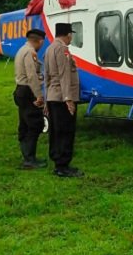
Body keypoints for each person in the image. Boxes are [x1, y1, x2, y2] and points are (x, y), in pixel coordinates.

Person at [44, 22, 83, 178]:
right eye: (71, 34)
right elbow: (64, 75)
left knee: (55, 131)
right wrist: (69, 99)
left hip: (53, 96)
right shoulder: (62, 50)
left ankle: (57, 162)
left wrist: (47, 99)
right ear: (68, 35)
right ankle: (63, 166)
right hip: (62, 98)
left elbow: (46, 76)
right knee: (65, 131)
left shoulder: (49, 49)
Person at [13, 28, 47, 169]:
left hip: (21, 90)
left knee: (25, 125)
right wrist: (39, 95)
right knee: (34, 124)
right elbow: (32, 76)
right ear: (38, 41)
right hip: (28, 91)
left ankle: (28, 156)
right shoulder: (30, 52)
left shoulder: (22, 50)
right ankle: (29, 160)